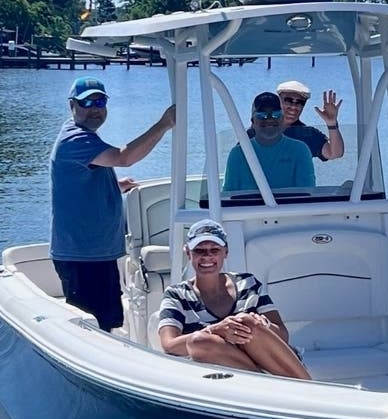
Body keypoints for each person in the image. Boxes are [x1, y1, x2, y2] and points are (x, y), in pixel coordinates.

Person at [50, 76, 176, 332]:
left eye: (100, 101)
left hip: (97, 252)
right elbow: (124, 157)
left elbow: (77, 184)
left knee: (107, 323)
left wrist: (115, 187)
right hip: (82, 256)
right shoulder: (76, 139)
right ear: (72, 105)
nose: (95, 109)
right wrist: (163, 125)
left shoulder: (84, 137)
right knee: (90, 328)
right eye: (87, 103)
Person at [158, 219, 311, 379]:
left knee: (246, 321)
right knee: (199, 341)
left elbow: (283, 335)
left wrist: (260, 324)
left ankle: (307, 387)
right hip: (223, 375)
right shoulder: (176, 294)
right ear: (188, 253)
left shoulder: (248, 283)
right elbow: (169, 344)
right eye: (199, 250)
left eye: (214, 250)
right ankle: (264, 382)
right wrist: (217, 330)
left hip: (269, 365)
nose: (207, 256)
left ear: (226, 252)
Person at [223, 92, 315, 193]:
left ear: (282, 119)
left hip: (289, 209)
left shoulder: (300, 151)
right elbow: (229, 195)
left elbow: (307, 194)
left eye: (276, 114)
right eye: (262, 115)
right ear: (253, 122)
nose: (270, 119)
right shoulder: (238, 154)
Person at [248, 80, 344, 161]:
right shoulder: (259, 130)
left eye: (300, 102)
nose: (293, 106)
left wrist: (331, 123)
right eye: (288, 100)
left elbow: (334, 153)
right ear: (278, 101)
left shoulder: (306, 134)